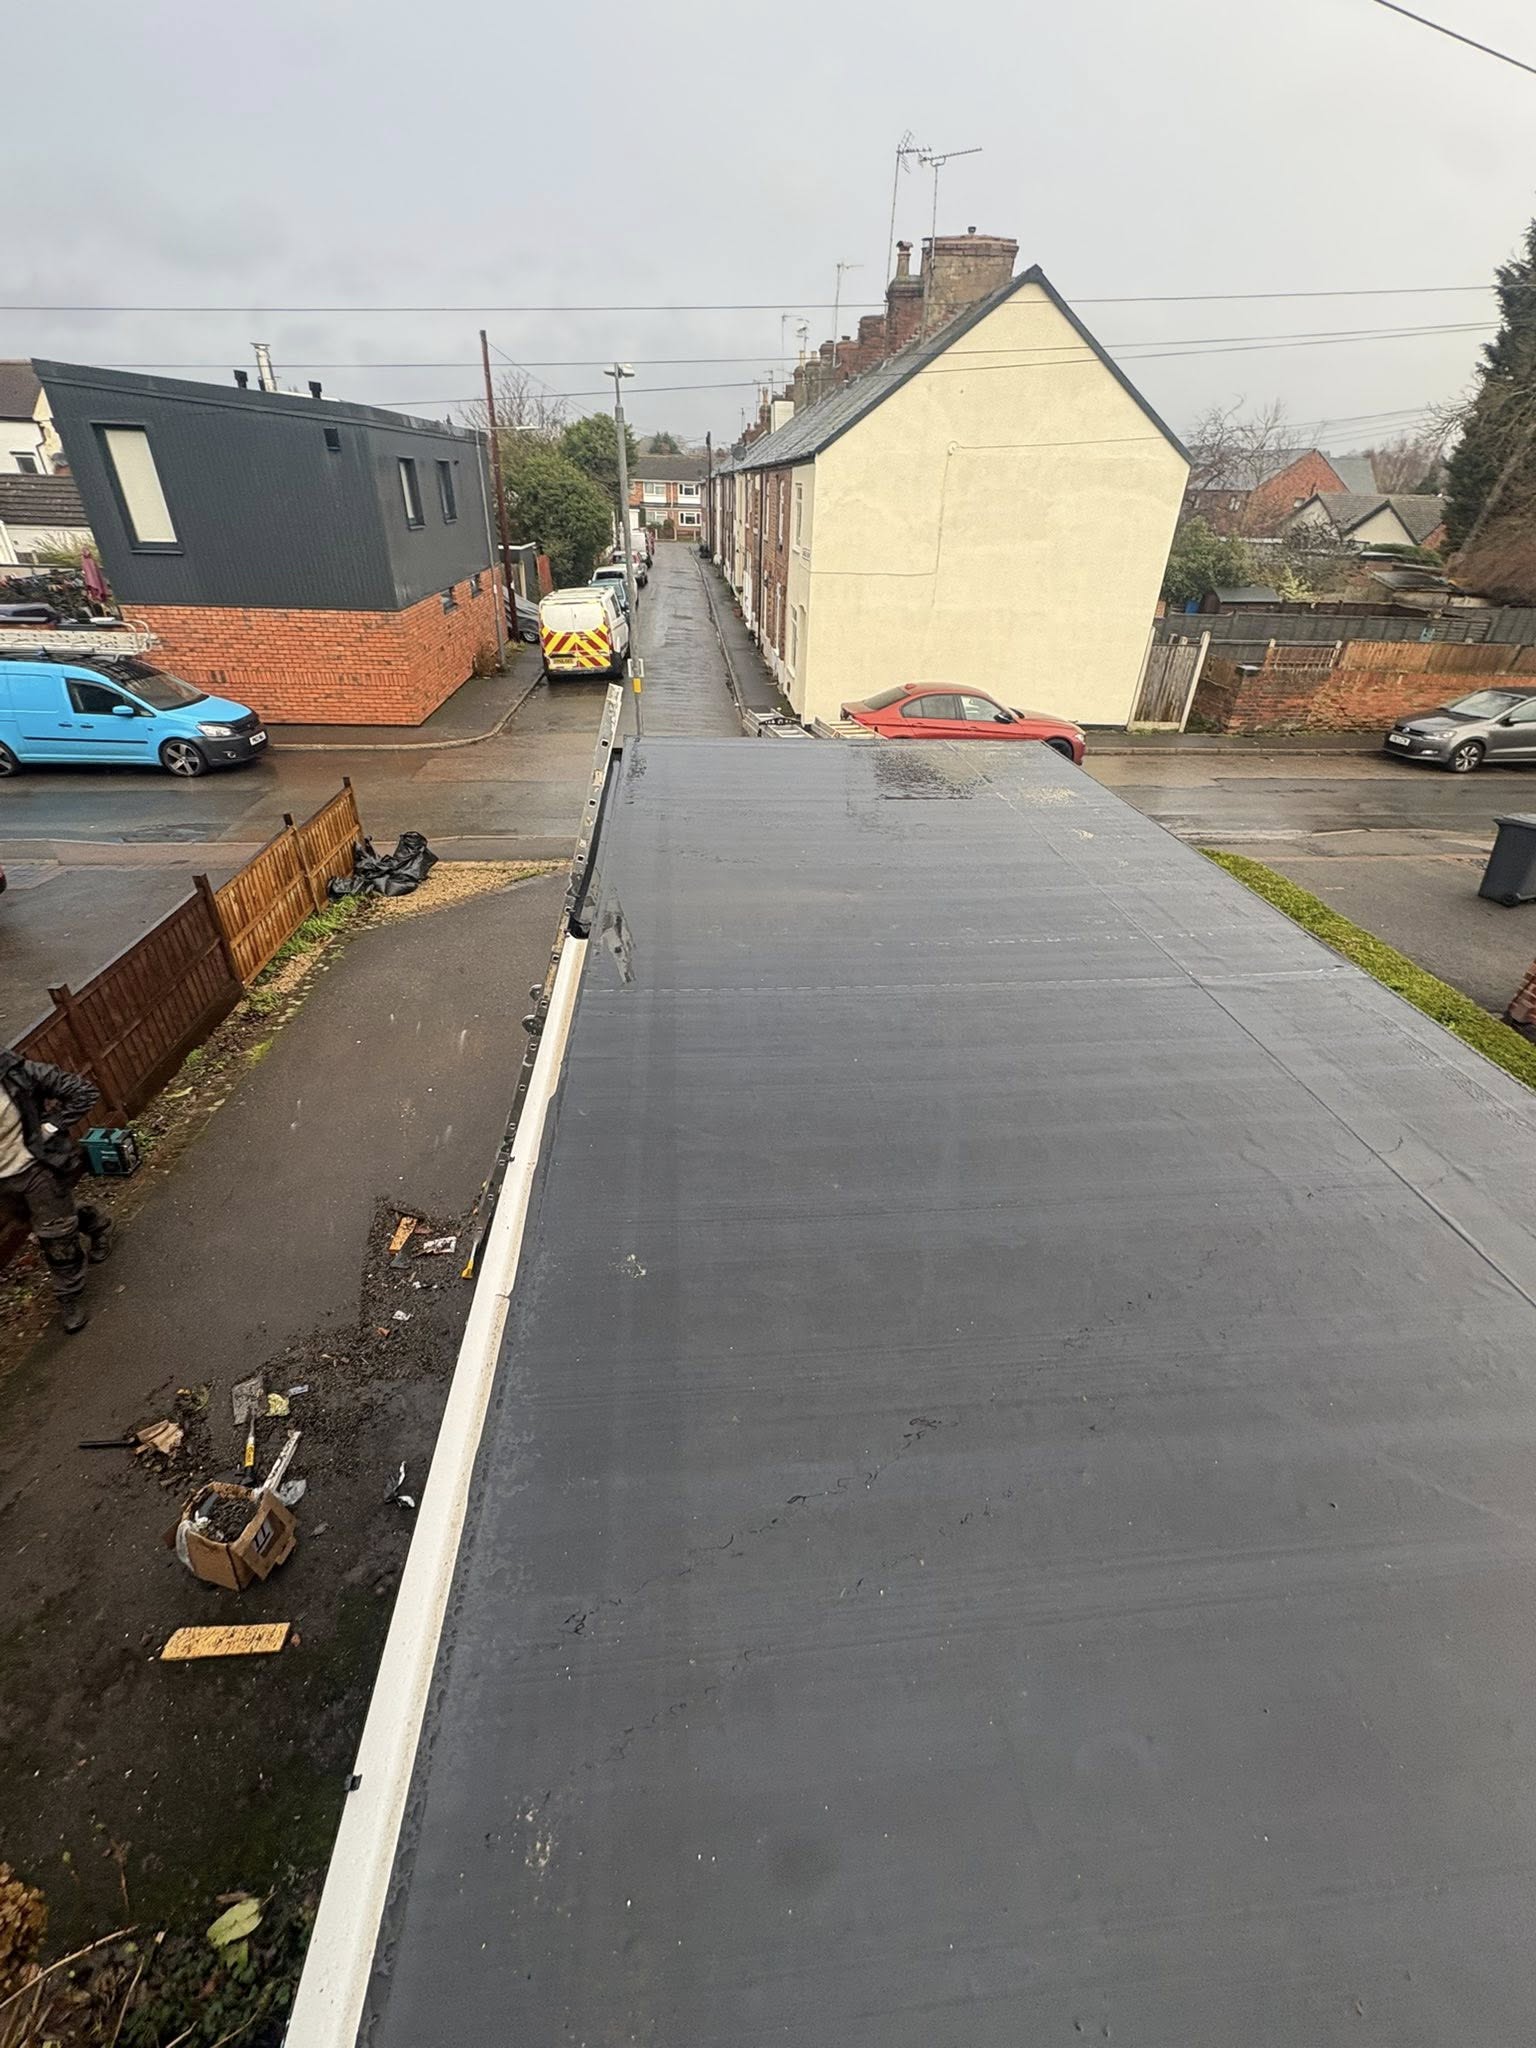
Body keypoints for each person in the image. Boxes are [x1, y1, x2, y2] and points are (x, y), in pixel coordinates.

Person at [0, 1046, 114, 1333]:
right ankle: (96, 1223)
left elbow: (82, 1091)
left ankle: (68, 1296)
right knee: (44, 1219)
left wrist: (51, 1126)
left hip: (36, 1167)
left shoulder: (16, 1072)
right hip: (3, 1181)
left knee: (56, 1235)